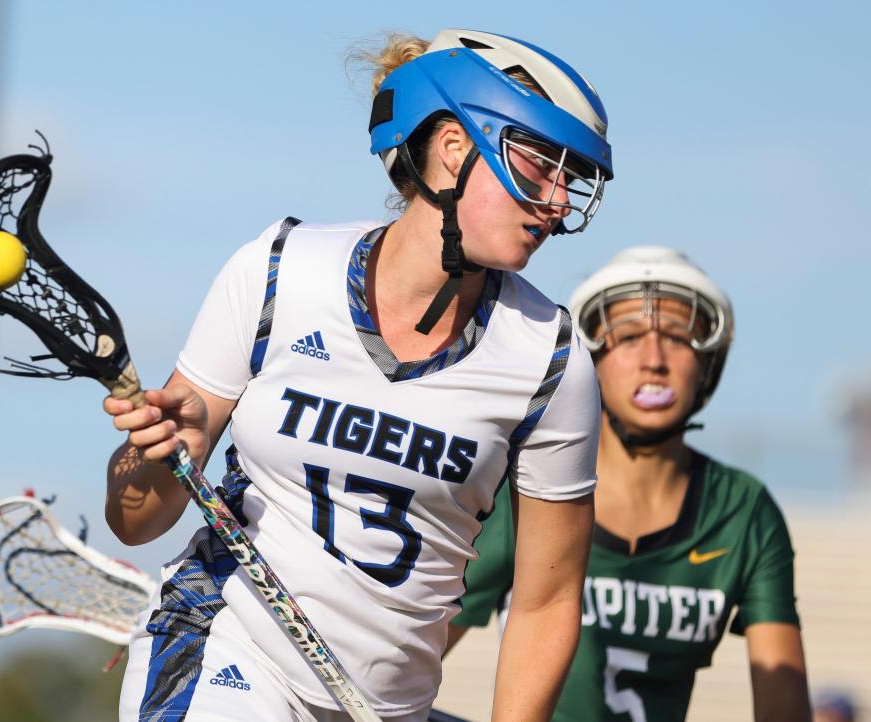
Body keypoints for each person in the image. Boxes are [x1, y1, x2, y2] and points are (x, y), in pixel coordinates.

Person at [103, 28, 614, 722]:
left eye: (570, 179)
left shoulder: (550, 360)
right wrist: (153, 458)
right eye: (537, 166)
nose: (556, 202)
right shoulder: (278, 272)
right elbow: (136, 520)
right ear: (452, 149)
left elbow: (547, 598)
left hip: (386, 706)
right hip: (228, 648)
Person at [448, 247, 811, 722]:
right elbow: (416, 657)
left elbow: (783, 709)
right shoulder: (520, 489)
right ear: (588, 358)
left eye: (679, 338)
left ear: (709, 362)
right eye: (630, 336)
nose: (654, 360)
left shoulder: (744, 512)